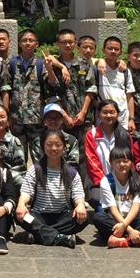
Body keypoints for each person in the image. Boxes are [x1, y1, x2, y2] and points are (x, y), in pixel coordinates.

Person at [16, 130, 87, 248]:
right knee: (21, 216)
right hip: (39, 214)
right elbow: (26, 191)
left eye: (58, 145)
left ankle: (39, 234)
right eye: (49, 145)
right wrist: (21, 204)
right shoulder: (35, 169)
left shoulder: (71, 172)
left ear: (64, 147)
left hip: (62, 215)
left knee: (83, 218)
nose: (54, 148)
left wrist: (80, 205)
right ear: (43, 146)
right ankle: (61, 237)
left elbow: (78, 192)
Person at [43, 29, 96, 183]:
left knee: (84, 156)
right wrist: (65, 116)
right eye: (64, 42)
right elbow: (51, 90)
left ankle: (82, 191)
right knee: (62, 154)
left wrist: (83, 112)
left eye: (71, 42)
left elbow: (91, 89)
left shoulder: (84, 63)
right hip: (61, 120)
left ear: (75, 44)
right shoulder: (51, 63)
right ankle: (63, 187)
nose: (67, 45)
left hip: (83, 119)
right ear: (57, 44)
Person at [92, 146, 140, 248]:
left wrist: (125, 226)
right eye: (118, 161)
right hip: (115, 221)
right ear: (111, 162)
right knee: (98, 217)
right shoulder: (106, 181)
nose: (122, 164)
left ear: (131, 162)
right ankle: (138, 239)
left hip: (133, 220)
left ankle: (122, 240)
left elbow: (136, 207)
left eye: (125, 161)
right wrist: (129, 230)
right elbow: (113, 209)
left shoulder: (138, 181)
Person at [9, 30, 57, 164]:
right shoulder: (12, 63)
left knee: (39, 157)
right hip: (17, 119)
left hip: (36, 119)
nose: (27, 43)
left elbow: (53, 84)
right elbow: (6, 88)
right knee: (18, 159)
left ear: (37, 44)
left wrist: (50, 68)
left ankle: (39, 177)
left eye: (31, 40)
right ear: (19, 43)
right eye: (24, 40)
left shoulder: (41, 63)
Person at [84, 99, 133, 209]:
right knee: (96, 198)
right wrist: (107, 183)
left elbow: (130, 160)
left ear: (117, 114)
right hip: (100, 182)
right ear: (99, 114)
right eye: (105, 112)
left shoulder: (125, 135)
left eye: (112, 112)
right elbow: (91, 161)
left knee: (126, 201)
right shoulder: (91, 135)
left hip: (122, 181)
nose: (108, 115)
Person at [96, 37, 135, 131]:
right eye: (109, 48)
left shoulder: (125, 71)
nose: (113, 51)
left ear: (120, 52)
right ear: (103, 50)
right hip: (103, 118)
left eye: (116, 49)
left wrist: (131, 119)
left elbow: (129, 96)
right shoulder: (97, 69)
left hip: (123, 119)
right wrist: (103, 108)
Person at [31, 103, 81, 171]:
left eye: (57, 118)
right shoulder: (38, 142)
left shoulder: (71, 141)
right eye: (49, 118)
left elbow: (73, 165)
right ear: (44, 120)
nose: (53, 121)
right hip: (44, 175)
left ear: (62, 120)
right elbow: (38, 165)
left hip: (66, 175)